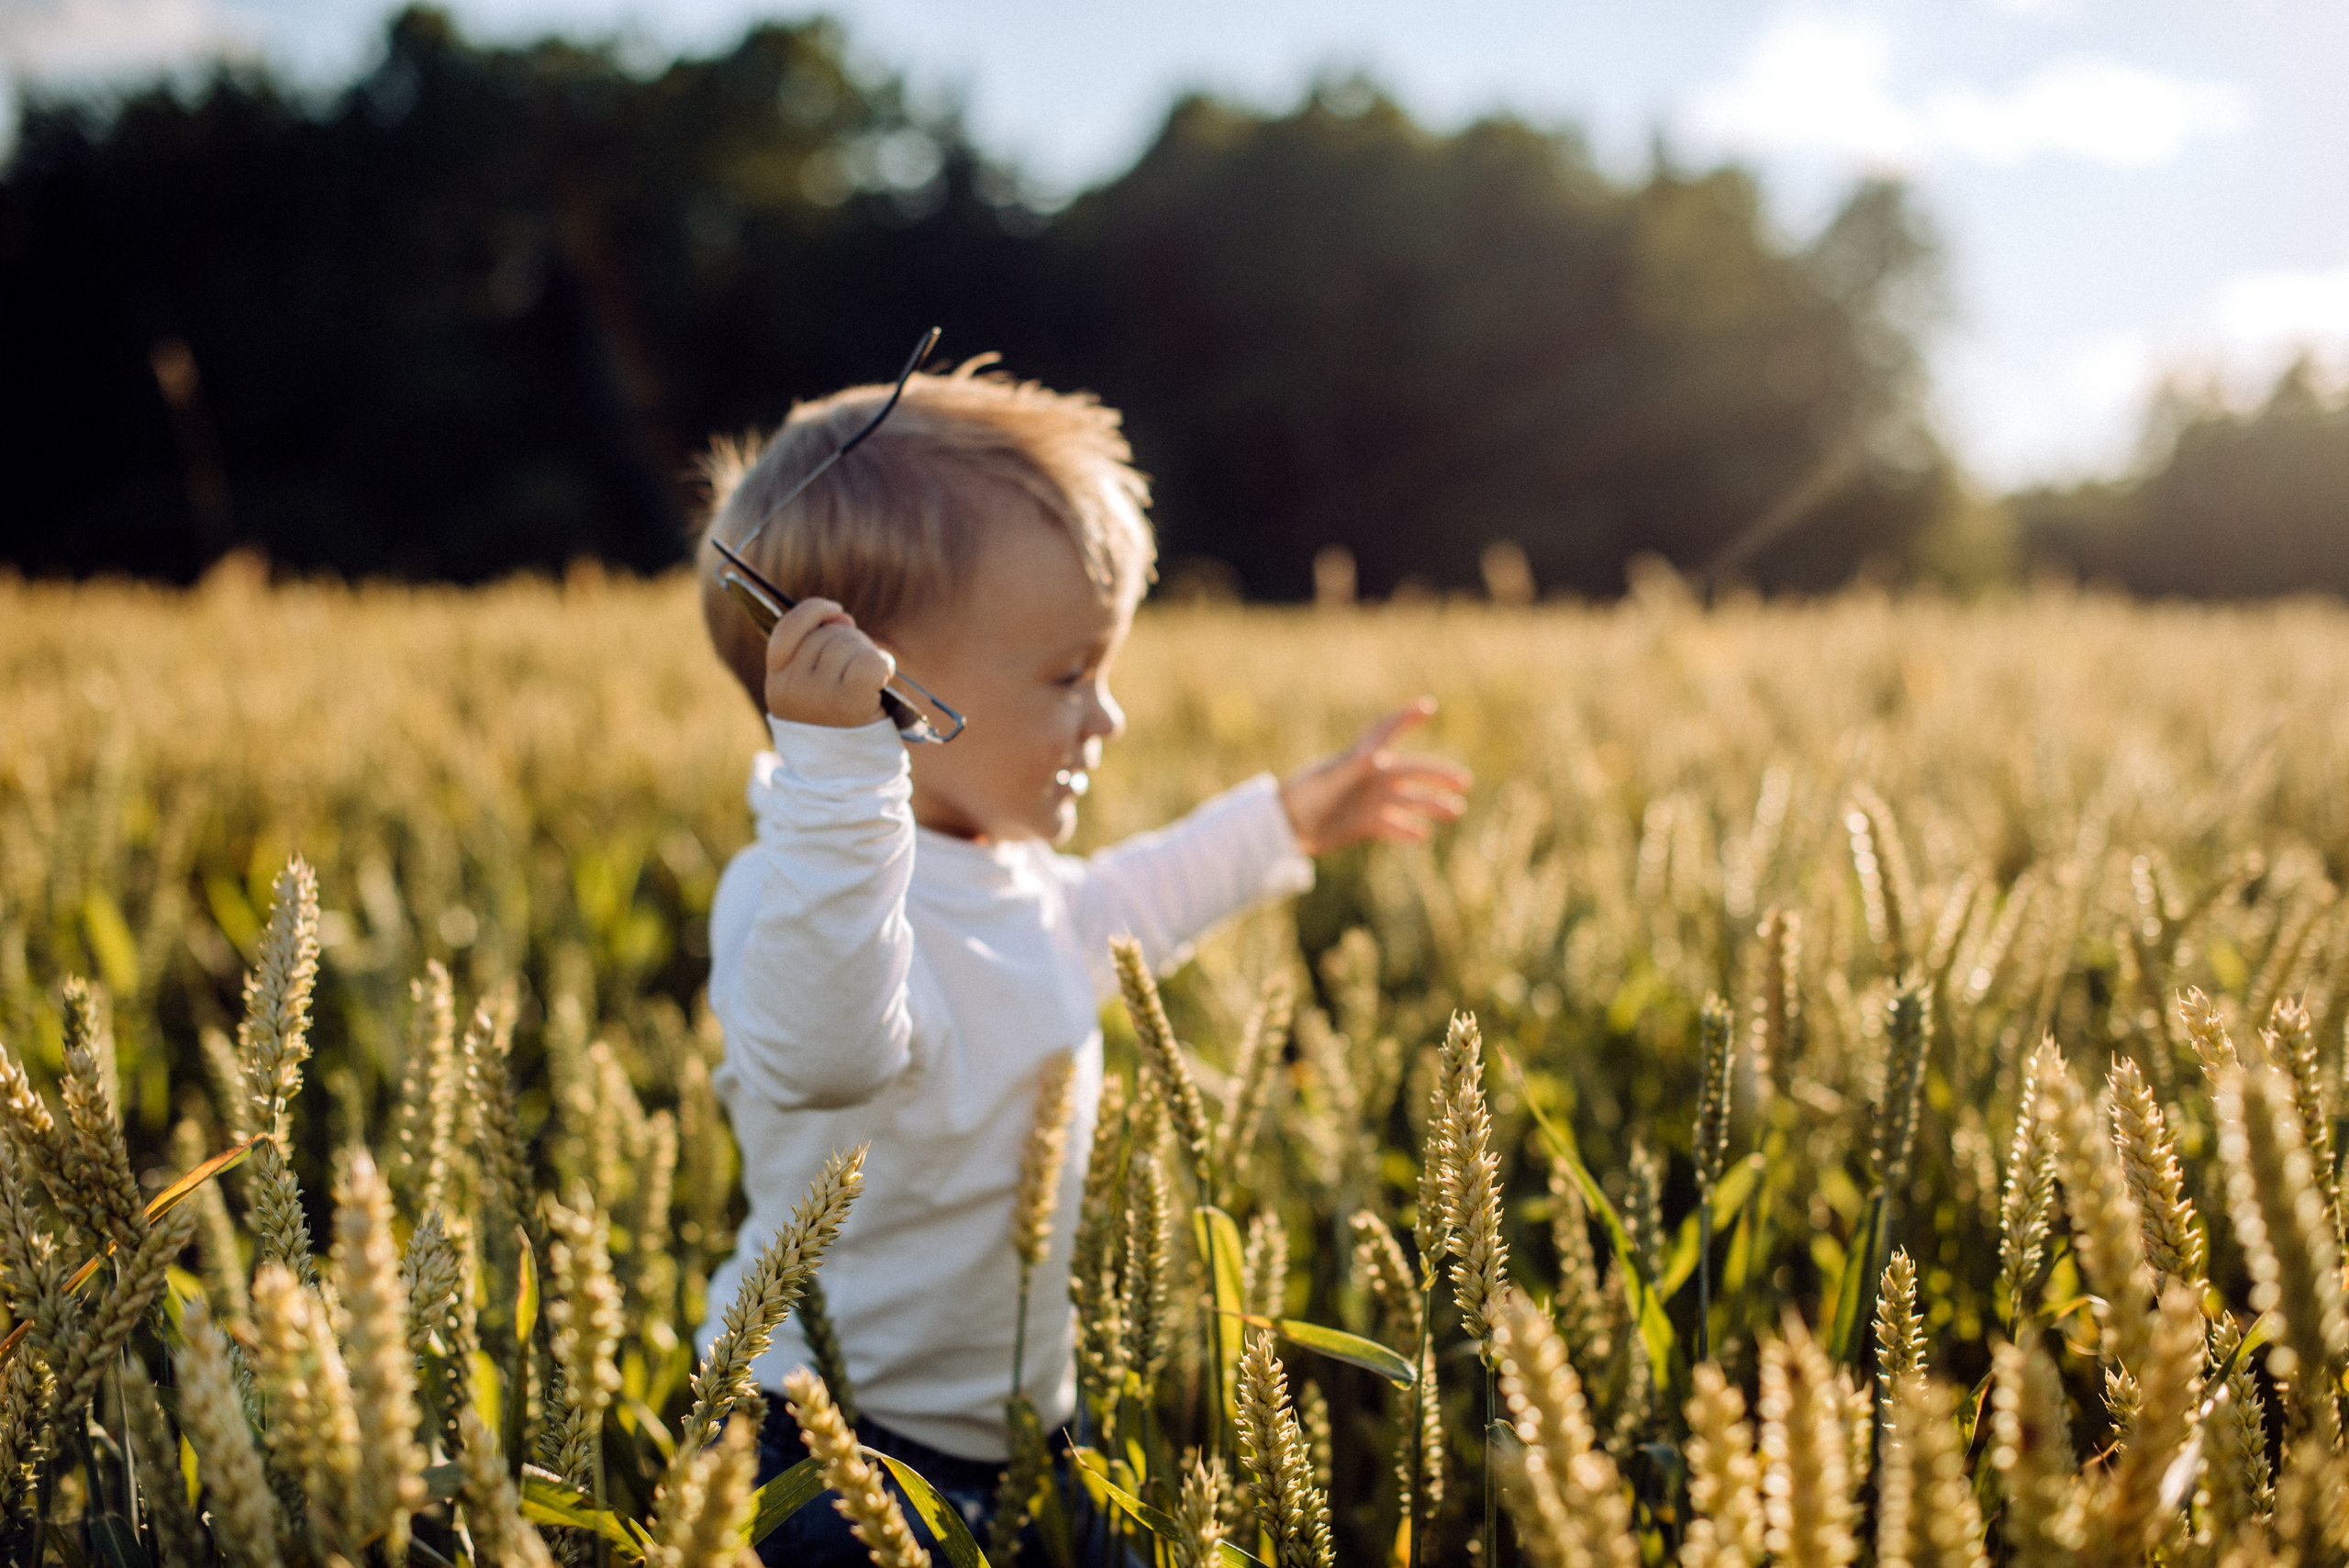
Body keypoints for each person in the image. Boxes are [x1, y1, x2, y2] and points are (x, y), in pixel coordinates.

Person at [692, 358, 1469, 1564]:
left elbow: (1128, 901)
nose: (1108, 718)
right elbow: (829, 1050)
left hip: (1033, 1427)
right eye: (1067, 676)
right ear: (885, 692)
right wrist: (837, 785)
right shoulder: (797, 895)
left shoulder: (1016, 883)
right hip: (822, 1451)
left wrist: (1285, 821)